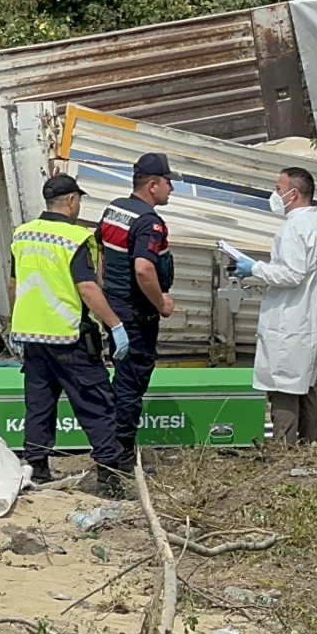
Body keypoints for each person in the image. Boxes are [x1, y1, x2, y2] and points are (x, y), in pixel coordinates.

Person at [7, 174, 132, 499]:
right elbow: (88, 288)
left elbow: (12, 285)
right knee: (96, 405)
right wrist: (114, 325)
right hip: (70, 339)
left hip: (33, 339)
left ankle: (36, 467)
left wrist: (15, 324)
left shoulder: (23, 235)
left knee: (39, 405)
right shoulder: (75, 238)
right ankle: (109, 478)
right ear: (73, 200)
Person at [233, 166, 317, 445]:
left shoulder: (294, 229)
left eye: (278, 188)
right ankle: (308, 442)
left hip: (290, 320)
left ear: (293, 194)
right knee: (304, 383)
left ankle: (283, 449)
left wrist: (255, 268)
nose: (274, 194)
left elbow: (291, 274)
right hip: (313, 318)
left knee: (282, 386)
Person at [99, 152, 179, 464]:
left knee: (121, 376)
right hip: (136, 314)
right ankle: (120, 456)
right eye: (168, 182)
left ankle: (115, 448)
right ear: (152, 185)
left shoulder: (115, 209)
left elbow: (102, 252)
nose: (171, 188)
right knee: (131, 384)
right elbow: (144, 269)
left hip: (114, 306)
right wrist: (162, 303)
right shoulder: (150, 223)